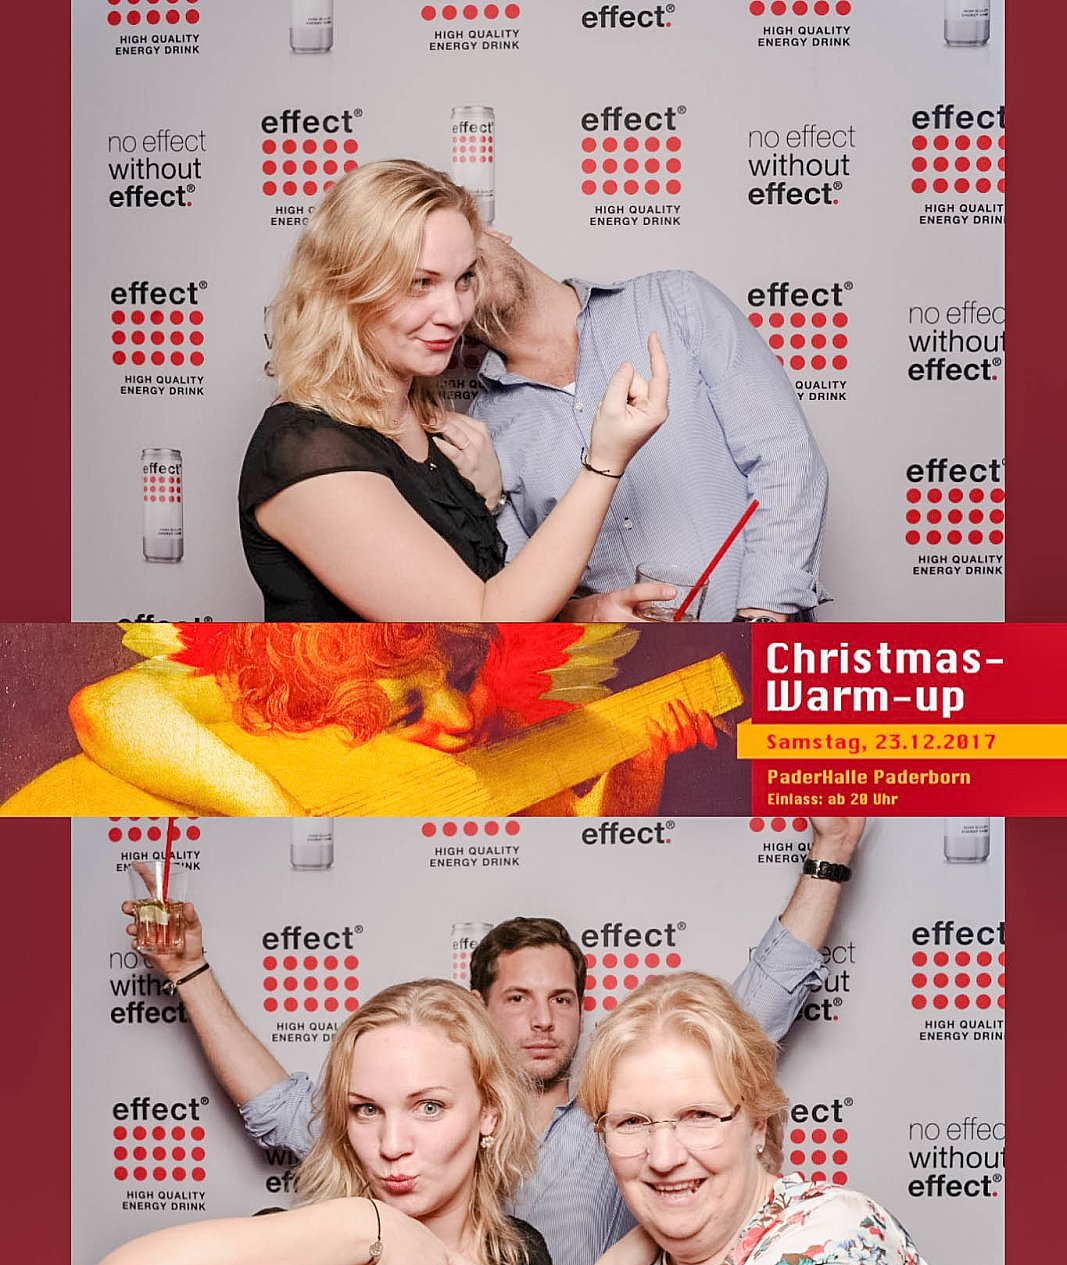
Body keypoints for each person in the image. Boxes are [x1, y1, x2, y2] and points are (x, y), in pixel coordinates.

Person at [124, 819, 865, 1265]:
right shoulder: (421, 1122)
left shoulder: (621, 1120)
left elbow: (755, 1006)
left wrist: (828, 857)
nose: (543, 1020)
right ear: (478, 1009)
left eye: (561, 999)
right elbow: (277, 1107)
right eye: (517, 998)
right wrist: (189, 972)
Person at [71, 980, 576, 1265]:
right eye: (366, 1110)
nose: (391, 1144)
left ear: (489, 1113)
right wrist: (365, 1225)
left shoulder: (523, 1254)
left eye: (429, 1107)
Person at [240, 160, 673, 622]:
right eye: (420, 283)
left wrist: (588, 614)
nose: (453, 313)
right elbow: (476, 625)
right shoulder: (307, 450)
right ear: (345, 286)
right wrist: (603, 463)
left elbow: (480, 597)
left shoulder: (422, 423)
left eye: (464, 279)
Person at [568, 971, 976, 1265]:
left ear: (758, 1123)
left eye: (699, 1115)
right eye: (632, 1122)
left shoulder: (839, 1242)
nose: (663, 1157)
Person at [0, 621, 728, 818]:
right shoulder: (297, 692)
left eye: (463, 680)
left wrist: (640, 760)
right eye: (407, 709)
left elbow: (572, 838)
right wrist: (271, 812)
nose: (456, 717)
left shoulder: (496, 739)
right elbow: (106, 706)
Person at [465, 230, 829, 622]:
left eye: (453, 253)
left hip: (764, 641)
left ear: (486, 229)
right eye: (424, 281)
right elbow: (520, 603)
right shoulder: (483, 431)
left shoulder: (676, 302)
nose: (455, 279)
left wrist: (759, 621)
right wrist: (590, 614)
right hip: (625, 661)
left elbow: (785, 456)